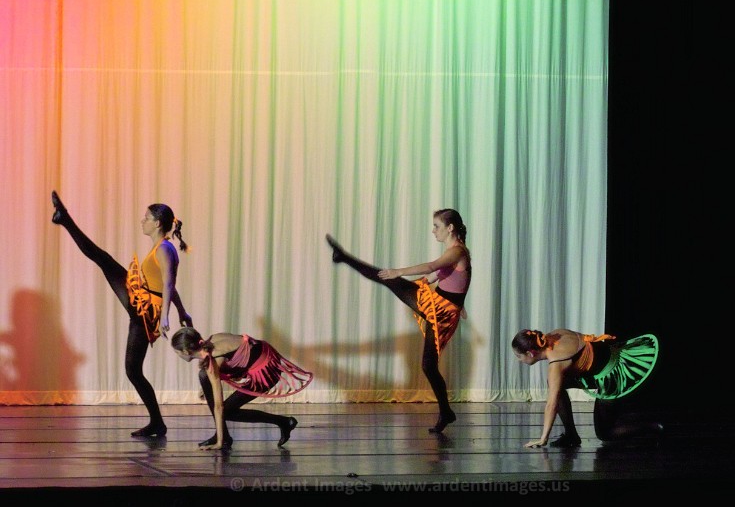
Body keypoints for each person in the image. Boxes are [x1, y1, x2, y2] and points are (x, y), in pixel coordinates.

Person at [50, 190, 193, 437]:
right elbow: (166, 284)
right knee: (103, 258)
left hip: (145, 310)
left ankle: (157, 423)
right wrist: (182, 311)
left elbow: (169, 283)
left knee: (132, 370)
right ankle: (64, 219)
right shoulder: (161, 248)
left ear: (157, 223)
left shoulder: (164, 249)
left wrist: (166, 316)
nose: (142, 221)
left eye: (147, 218)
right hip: (141, 302)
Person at [325, 208, 471, 433]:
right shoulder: (454, 252)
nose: (433, 231)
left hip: (441, 310)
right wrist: (409, 283)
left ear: (450, 228)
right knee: (429, 366)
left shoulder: (457, 251)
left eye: (437, 226)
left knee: (388, 279)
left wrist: (398, 273)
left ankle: (343, 257)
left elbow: (432, 266)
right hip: (439, 308)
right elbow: (435, 276)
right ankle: (446, 412)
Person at [512, 328, 661, 448]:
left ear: (530, 353)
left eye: (519, 356)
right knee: (555, 384)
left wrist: (543, 438)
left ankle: (654, 427)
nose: (519, 361)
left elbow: (552, 405)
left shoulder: (556, 364)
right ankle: (571, 435)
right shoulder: (557, 334)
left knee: (605, 433)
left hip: (612, 376)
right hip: (607, 357)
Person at [170, 326, 313, 450]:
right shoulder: (214, 339)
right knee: (203, 375)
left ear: (186, 351)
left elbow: (219, 406)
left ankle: (283, 422)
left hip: (265, 372)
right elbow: (239, 353)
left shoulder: (212, 361)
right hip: (265, 355)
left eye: (177, 352)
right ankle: (223, 435)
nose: (177, 355)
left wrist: (219, 443)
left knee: (226, 411)